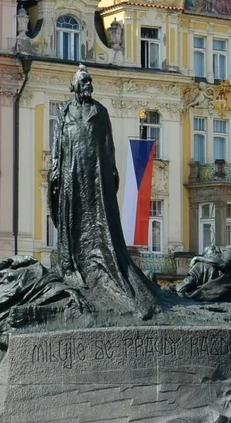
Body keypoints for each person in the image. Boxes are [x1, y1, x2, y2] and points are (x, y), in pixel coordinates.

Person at [49, 65, 162, 319]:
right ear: (75, 86)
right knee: (71, 217)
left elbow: (108, 145)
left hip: (95, 173)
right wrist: (56, 166)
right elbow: (57, 143)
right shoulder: (64, 111)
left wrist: (111, 172)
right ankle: (72, 263)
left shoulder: (100, 111)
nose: (89, 85)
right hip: (71, 170)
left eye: (90, 81)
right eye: (84, 81)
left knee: (98, 218)